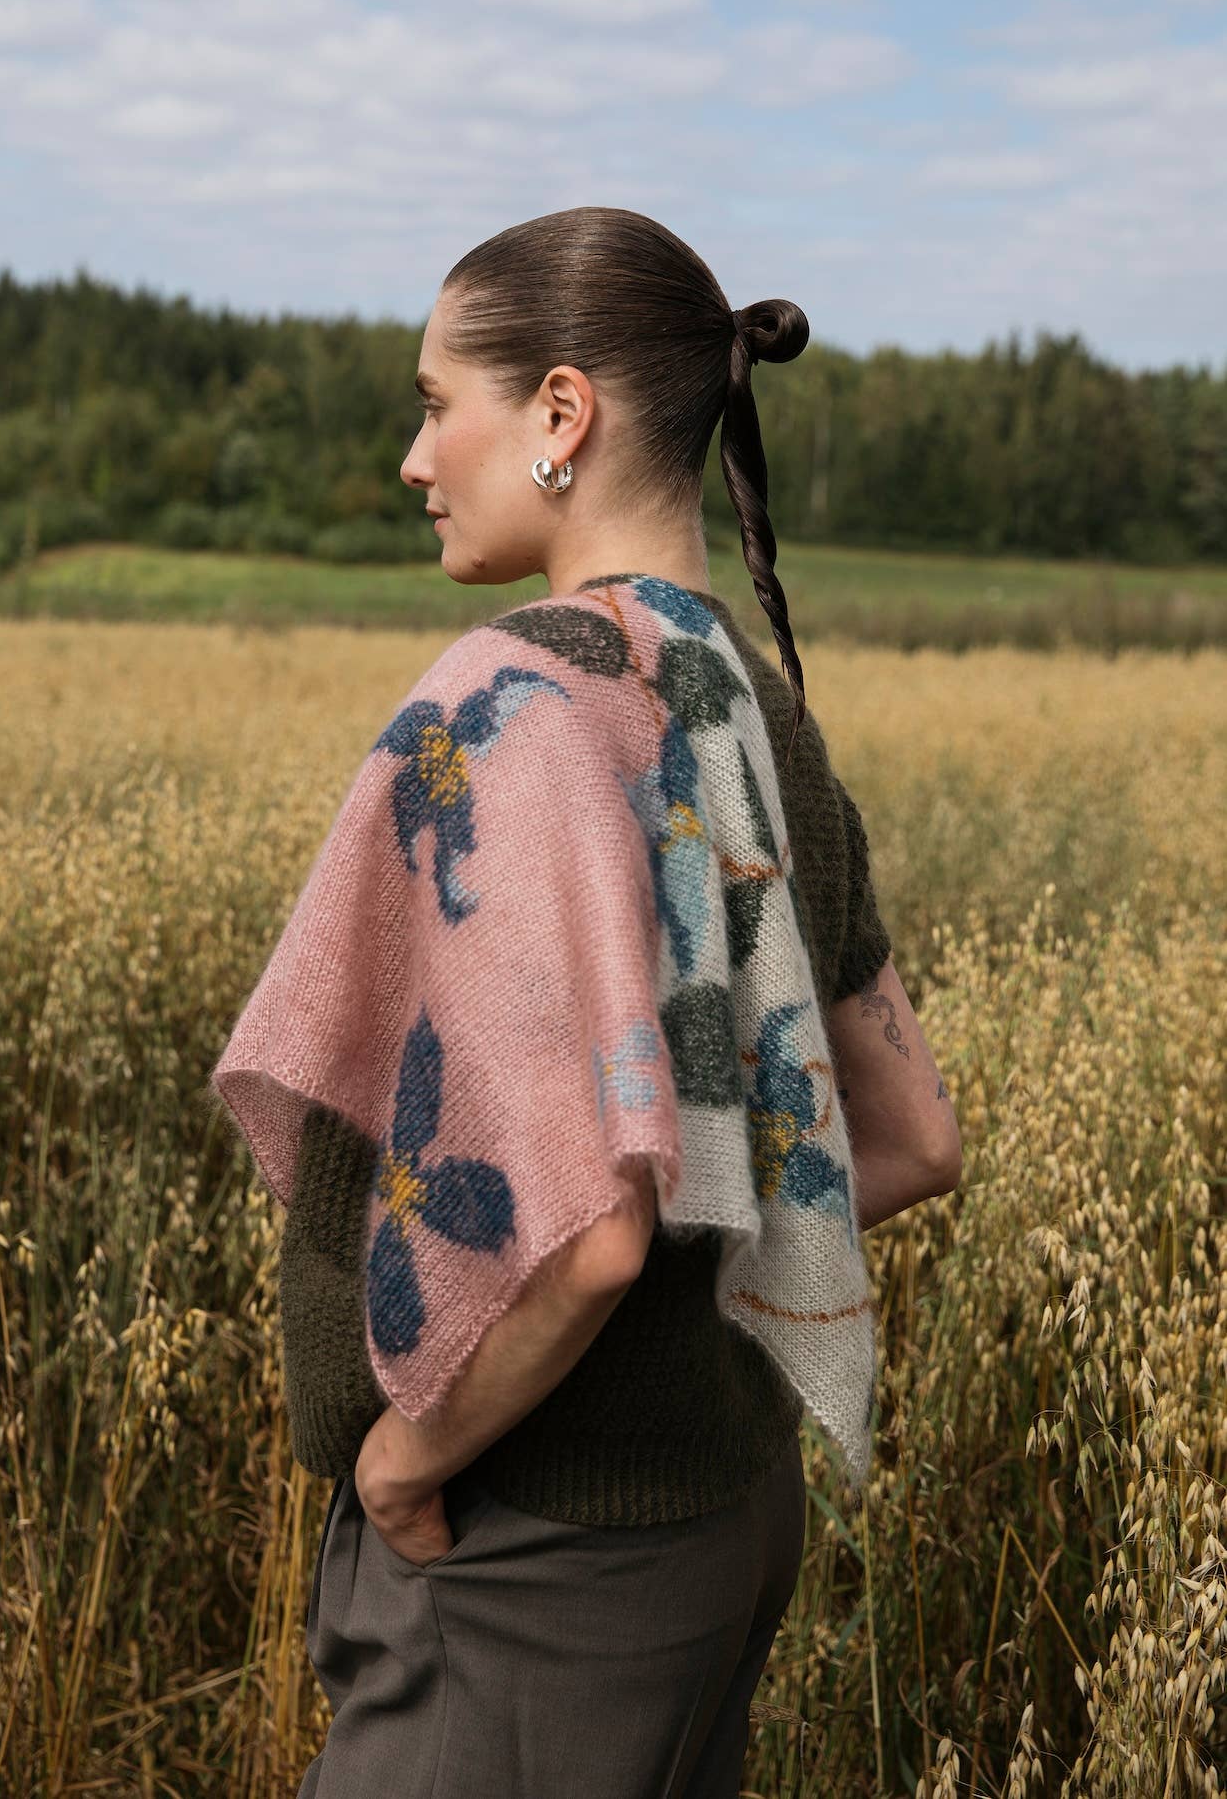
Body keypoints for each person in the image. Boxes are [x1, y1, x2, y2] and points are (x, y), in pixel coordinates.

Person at [266, 206, 962, 1796]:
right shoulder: (760, 715)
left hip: (526, 1565)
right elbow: (913, 1136)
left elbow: (592, 1237)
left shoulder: (514, 703)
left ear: (561, 414)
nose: (414, 456)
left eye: (441, 402)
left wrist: (408, 1456)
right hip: (718, 1531)